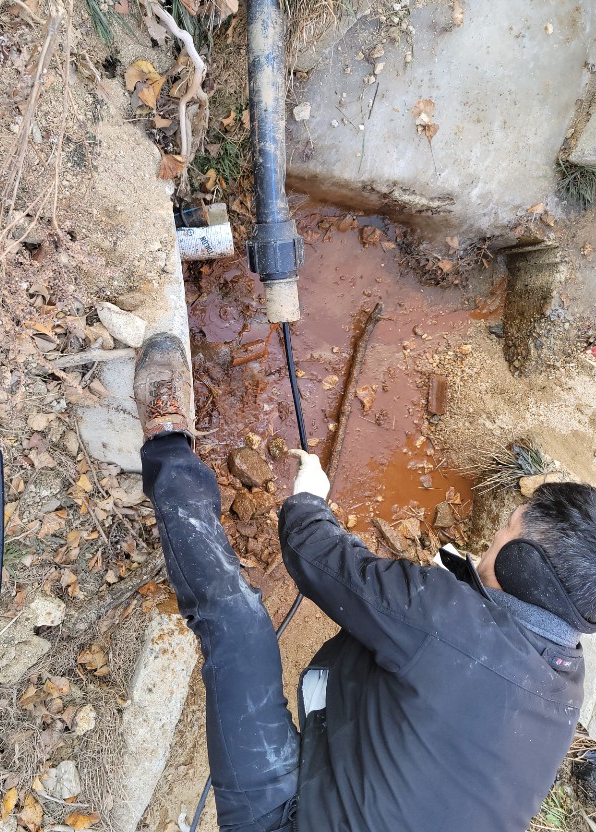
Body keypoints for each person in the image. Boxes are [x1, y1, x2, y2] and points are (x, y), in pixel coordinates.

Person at [134, 332, 596, 832]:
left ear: (522, 564)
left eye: (509, 525)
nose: (497, 535)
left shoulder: (447, 620)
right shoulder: (565, 683)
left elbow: (314, 552)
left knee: (238, 623)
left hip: (286, 819)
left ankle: (166, 443)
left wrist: (310, 499)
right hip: (353, 786)